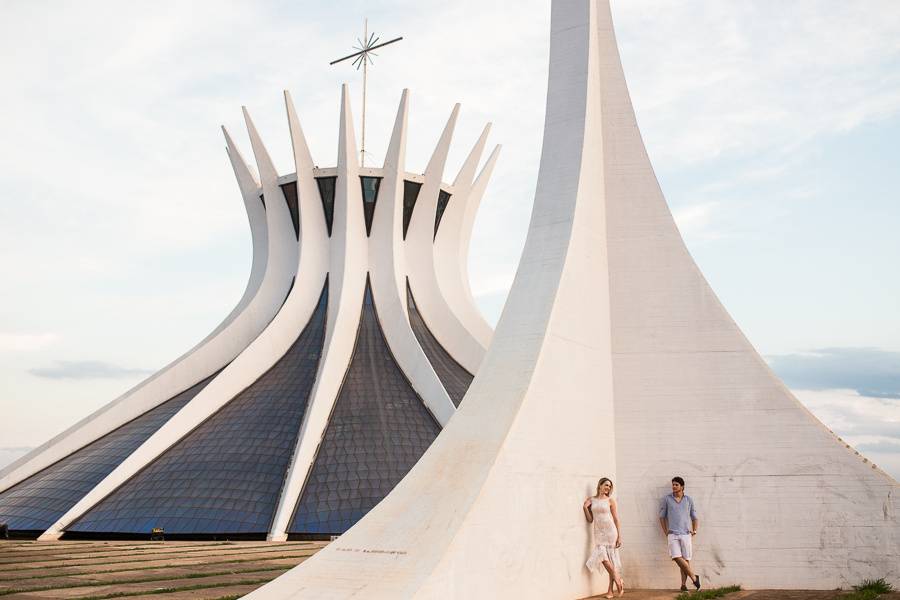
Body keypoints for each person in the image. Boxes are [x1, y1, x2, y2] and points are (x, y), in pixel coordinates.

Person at [583, 477, 625, 598]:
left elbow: (616, 519)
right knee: (603, 558)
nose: (607, 488)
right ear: (600, 485)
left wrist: (619, 537)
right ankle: (618, 580)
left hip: (611, 532)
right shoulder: (592, 500)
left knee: (611, 560)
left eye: (609, 486)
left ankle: (610, 591)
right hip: (599, 533)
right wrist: (585, 508)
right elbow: (590, 520)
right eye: (606, 485)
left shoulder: (610, 501)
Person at [659, 476, 701, 591]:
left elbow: (695, 517)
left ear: (682, 487)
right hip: (672, 534)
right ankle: (694, 577)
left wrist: (695, 530)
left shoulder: (688, 500)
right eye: (673, 484)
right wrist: (665, 531)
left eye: (676, 484)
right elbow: (661, 517)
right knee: (676, 557)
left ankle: (683, 585)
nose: (674, 486)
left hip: (686, 534)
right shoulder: (667, 499)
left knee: (686, 559)